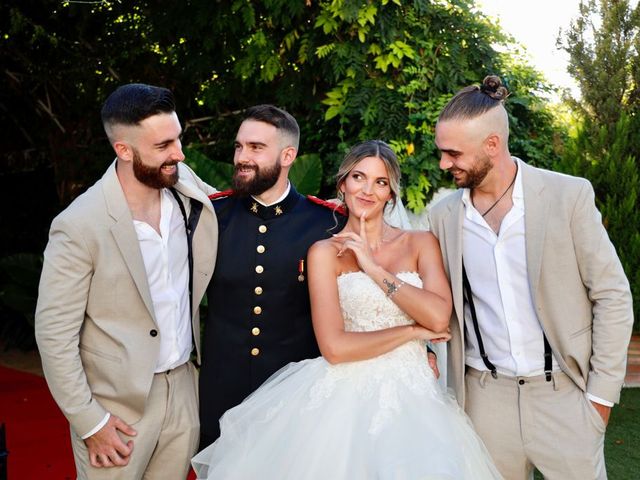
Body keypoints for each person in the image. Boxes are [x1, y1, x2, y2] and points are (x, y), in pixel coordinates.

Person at [192, 140, 502, 479]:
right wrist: (413, 332)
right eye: (358, 177)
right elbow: (335, 348)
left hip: (415, 400)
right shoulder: (324, 252)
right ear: (343, 185)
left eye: (380, 182)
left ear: (391, 194)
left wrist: (372, 268)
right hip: (343, 398)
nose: (368, 190)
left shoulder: (419, 243)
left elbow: (440, 316)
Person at [428, 75, 634, 480]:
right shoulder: (443, 216)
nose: (443, 164)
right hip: (483, 401)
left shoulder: (567, 196)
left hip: (565, 397)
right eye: (441, 152)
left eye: (453, 153)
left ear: (493, 144)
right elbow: (434, 297)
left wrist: (599, 400)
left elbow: (612, 295)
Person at [35, 83, 218, 479]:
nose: (179, 153)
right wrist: (91, 422)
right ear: (123, 150)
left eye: (178, 138)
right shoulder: (79, 224)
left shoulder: (184, 185)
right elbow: (54, 335)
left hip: (184, 388)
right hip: (115, 406)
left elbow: (238, 210)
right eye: (164, 145)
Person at [197, 104, 349, 446]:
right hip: (222, 398)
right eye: (239, 146)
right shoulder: (212, 217)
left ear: (288, 155)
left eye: (256, 148)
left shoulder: (328, 223)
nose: (241, 157)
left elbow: (365, 288)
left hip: (294, 403)